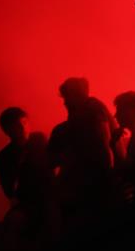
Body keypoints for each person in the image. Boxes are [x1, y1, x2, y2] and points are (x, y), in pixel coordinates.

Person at [47, 77, 116, 219]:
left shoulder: (92, 109)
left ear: (75, 94)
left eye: (66, 97)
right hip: (91, 184)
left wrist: (108, 179)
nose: (65, 102)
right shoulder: (88, 111)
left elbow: (104, 145)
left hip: (93, 185)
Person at [0, 107, 52, 245]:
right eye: (17, 125)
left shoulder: (39, 140)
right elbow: (9, 190)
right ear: (7, 130)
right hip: (30, 204)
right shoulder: (3, 158)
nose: (23, 128)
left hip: (47, 200)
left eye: (24, 123)